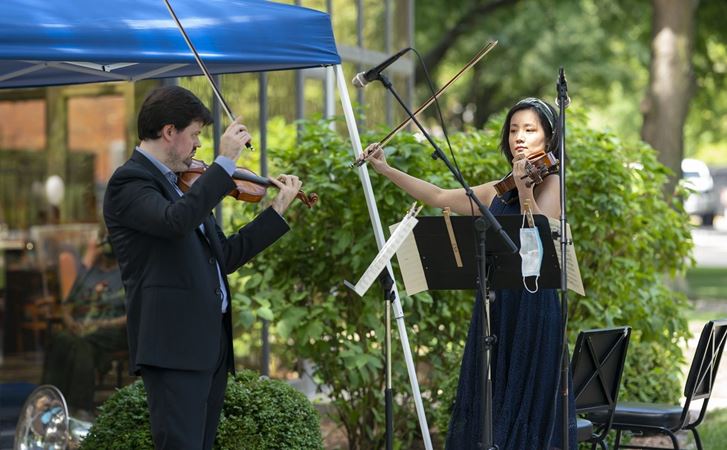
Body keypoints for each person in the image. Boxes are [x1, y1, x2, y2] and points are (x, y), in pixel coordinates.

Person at [358, 97, 576, 449]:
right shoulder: (498, 189)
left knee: (525, 404)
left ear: (549, 140)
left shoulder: (552, 184)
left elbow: (536, 239)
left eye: (530, 130)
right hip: (496, 307)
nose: (518, 137)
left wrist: (524, 191)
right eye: (514, 130)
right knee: (492, 400)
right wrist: (384, 168)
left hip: (533, 311)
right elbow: (439, 196)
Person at [103, 85, 301, 450]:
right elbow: (174, 221)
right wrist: (224, 163)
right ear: (169, 132)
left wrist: (276, 211)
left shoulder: (181, 185)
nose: (198, 146)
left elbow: (224, 256)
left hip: (208, 347)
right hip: (173, 348)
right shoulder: (130, 182)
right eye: (194, 135)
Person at [42, 234, 127, 419]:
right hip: (82, 331)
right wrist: (71, 323)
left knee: (78, 342)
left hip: (112, 330)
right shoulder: (89, 273)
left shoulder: (127, 273)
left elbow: (132, 315)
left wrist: (100, 323)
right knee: (67, 341)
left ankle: (59, 405)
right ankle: (65, 404)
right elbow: (67, 305)